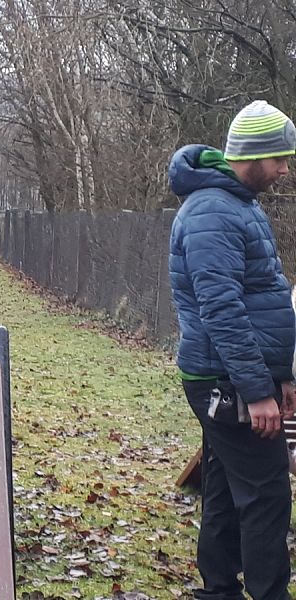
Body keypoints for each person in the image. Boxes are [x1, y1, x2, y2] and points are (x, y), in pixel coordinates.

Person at [168, 100, 296, 600]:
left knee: (222, 489)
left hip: (235, 377)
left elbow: (262, 297)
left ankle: (217, 590)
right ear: (255, 154)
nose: (286, 169)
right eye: (281, 158)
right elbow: (222, 309)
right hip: (225, 381)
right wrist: (256, 391)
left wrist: (280, 377)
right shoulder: (212, 213)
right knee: (267, 495)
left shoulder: (237, 205)